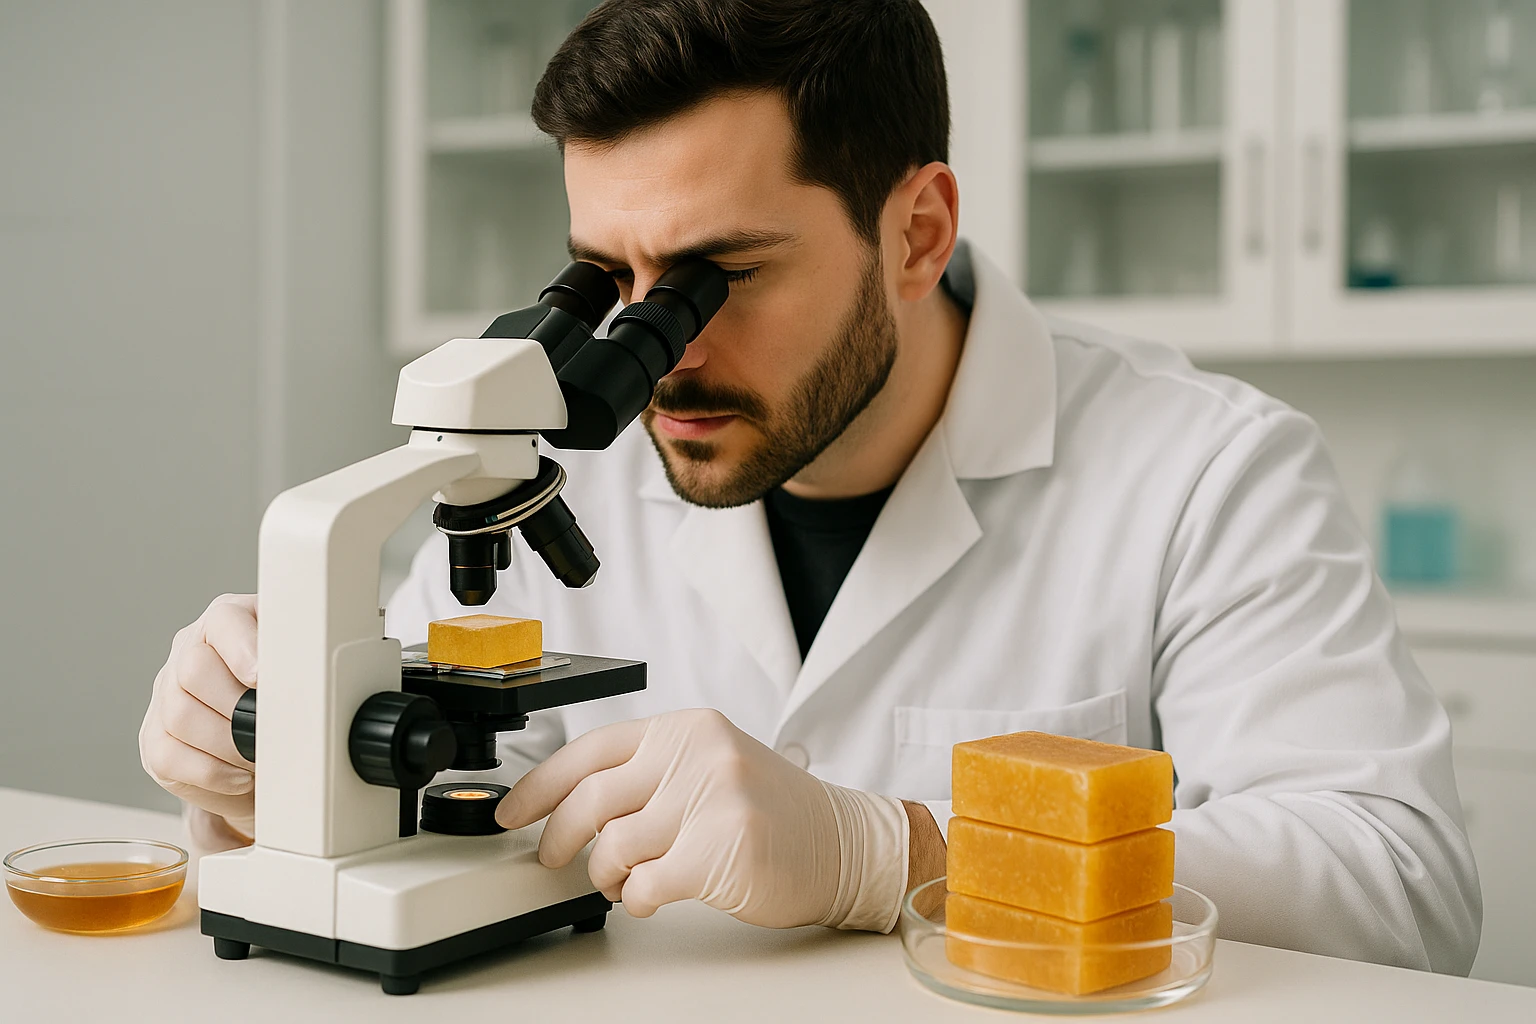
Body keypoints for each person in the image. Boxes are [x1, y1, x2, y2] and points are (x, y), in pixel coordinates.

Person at [138, 0, 1480, 970]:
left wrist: (895, 851)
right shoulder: (573, 463)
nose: (661, 358)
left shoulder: (1204, 470)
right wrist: (271, 759)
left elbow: (1399, 890)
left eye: (724, 274)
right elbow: (463, 804)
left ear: (917, 229)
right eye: (612, 283)